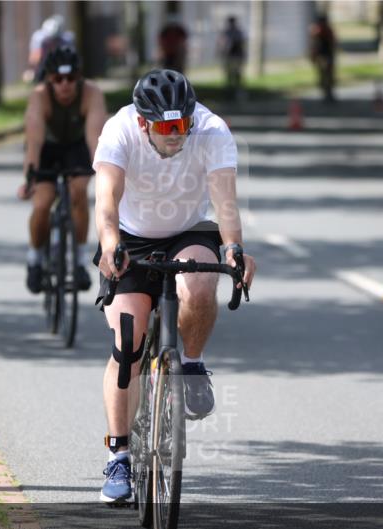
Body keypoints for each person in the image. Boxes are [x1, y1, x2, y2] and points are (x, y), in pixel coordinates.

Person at [91, 69, 257, 503]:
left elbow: (225, 202)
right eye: (166, 127)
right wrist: (110, 246)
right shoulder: (119, 130)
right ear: (144, 123)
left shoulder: (212, 130)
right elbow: (106, 199)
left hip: (190, 229)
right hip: (130, 234)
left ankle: (193, 363)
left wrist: (234, 248)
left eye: (182, 124)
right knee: (129, 339)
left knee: (201, 284)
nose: (176, 135)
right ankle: (120, 454)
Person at [18, 46, 107, 294]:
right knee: (43, 202)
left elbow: (94, 138)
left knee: (78, 192)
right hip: (46, 148)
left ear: (79, 78)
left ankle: (79, 261)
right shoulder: (39, 96)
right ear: (49, 79)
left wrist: (103, 175)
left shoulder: (92, 93)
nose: (65, 85)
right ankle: (35, 259)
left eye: (70, 79)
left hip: (77, 147)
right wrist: (30, 178)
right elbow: (34, 142)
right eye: (58, 79)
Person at [26, 14, 75, 83]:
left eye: (55, 39)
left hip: (61, 61)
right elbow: (35, 56)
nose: (53, 42)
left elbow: (72, 56)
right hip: (44, 63)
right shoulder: (39, 39)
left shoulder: (67, 39)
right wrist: (32, 70)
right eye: (51, 39)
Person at [309, 14, 337, 102]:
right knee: (324, 76)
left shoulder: (326, 31)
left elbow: (332, 43)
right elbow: (314, 45)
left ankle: (328, 94)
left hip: (326, 56)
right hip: (322, 56)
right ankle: (326, 93)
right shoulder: (317, 31)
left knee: (327, 76)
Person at [218, 16, 246, 100]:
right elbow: (223, 44)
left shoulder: (237, 32)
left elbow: (240, 44)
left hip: (236, 56)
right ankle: (230, 91)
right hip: (230, 56)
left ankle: (237, 91)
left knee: (237, 74)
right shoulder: (227, 33)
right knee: (229, 74)